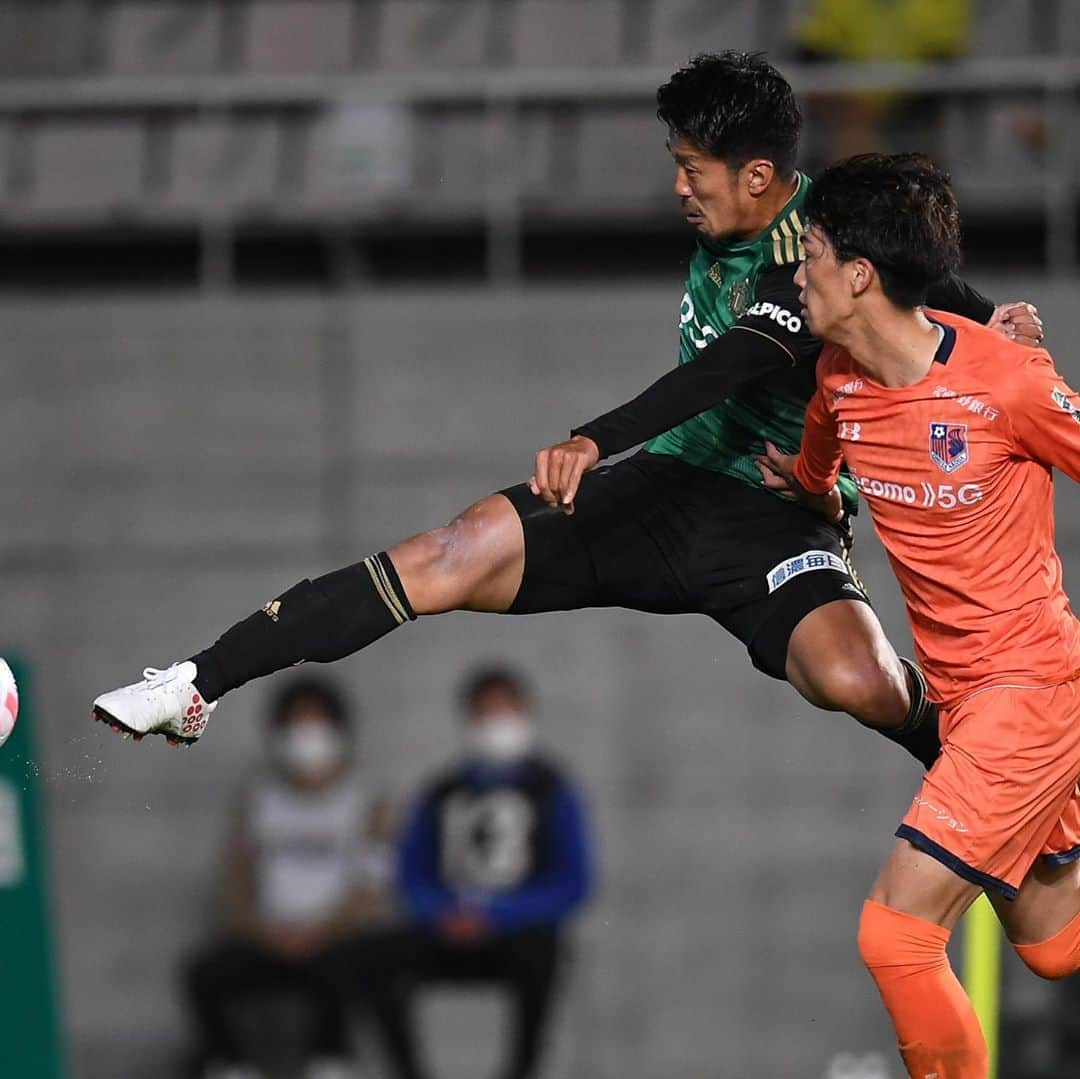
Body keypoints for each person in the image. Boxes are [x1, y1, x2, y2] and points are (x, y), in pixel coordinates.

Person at [92, 53, 1042, 775]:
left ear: (757, 177)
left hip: (771, 513)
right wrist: (986, 311)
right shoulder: (761, 218)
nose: (679, 185)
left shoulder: (815, 253)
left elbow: (734, 364)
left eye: (692, 167)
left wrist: (593, 436)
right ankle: (195, 681)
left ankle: (980, 777)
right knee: (449, 551)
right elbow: (933, 282)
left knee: (860, 684)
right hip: (668, 486)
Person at [756, 153, 1080, 1078]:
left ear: (859, 274)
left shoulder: (1006, 382)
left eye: (809, 251)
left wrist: (1029, 355)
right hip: (963, 706)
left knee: (895, 935)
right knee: (1054, 937)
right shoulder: (838, 375)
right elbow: (824, 456)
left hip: (1033, 693)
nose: (796, 272)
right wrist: (806, 485)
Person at [368, 667, 591, 1079]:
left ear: (526, 713)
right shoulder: (441, 792)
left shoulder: (553, 789)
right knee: (377, 956)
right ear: (468, 720)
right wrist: (444, 914)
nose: (496, 724)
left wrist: (497, 915)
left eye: (505, 711)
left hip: (518, 936)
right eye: (486, 713)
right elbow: (409, 877)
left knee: (545, 954)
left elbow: (573, 883)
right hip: (448, 932)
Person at [184, 678, 394, 1079]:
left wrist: (323, 931)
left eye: (316, 722)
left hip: (336, 941)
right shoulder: (259, 799)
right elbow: (236, 883)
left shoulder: (367, 801)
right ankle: (233, 1066)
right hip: (270, 939)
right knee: (206, 973)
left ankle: (331, 1063)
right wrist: (265, 933)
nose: (307, 735)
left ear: (339, 730)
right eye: (297, 722)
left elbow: (373, 887)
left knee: (347, 970)